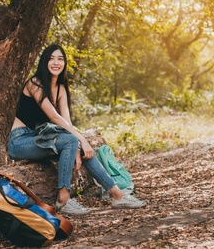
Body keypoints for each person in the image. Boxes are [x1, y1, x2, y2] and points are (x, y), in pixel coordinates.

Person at [7, 44, 146, 215]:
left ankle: (117, 194)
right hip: (20, 141)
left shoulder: (61, 89)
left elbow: (67, 123)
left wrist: (79, 147)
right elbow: (55, 117)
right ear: (44, 62)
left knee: (80, 146)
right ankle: (63, 200)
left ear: (64, 63)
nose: (56, 62)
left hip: (43, 140)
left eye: (60, 58)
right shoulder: (35, 83)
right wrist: (82, 140)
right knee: (75, 140)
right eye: (51, 58)